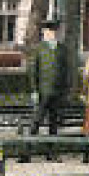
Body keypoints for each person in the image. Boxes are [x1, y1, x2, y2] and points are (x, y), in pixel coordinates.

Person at [21, 19, 67, 161]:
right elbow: (33, 71)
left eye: (54, 31)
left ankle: (51, 153)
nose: (52, 34)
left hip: (57, 92)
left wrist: (65, 90)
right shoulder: (39, 49)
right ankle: (26, 153)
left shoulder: (61, 49)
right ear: (44, 33)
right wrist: (35, 90)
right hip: (42, 92)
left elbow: (65, 71)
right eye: (49, 31)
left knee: (54, 124)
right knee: (35, 122)